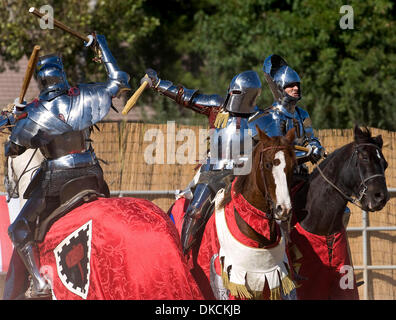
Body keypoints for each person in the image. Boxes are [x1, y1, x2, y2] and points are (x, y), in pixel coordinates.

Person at [3, 33, 130, 298]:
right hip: (92, 174)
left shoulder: (36, 114)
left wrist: (13, 119)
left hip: (56, 181)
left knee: (18, 228)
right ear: (63, 75)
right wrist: (102, 45)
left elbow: (14, 148)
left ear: (41, 81)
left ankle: (38, 282)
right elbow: (120, 81)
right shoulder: (86, 95)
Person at [142, 69, 262, 254]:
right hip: (213, 171)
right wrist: (158, 83)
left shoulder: (262, 119)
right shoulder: (217, 106)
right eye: (231, 90)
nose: (231, 94)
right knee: (195, 211)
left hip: (245, 175)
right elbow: (186, 97)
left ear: (249, 96)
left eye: (236, 93)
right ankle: (182, 255)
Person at [249, 54, 326, 184]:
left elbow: (310, 139)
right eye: (290, 85)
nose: (296, 88)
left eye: (297, 85)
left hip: (300, 173)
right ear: (280, 88)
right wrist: (308, 154)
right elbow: (279, 155)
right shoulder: (271, 116)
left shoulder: (302, 114)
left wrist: (316, 147)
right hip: (277, 179)